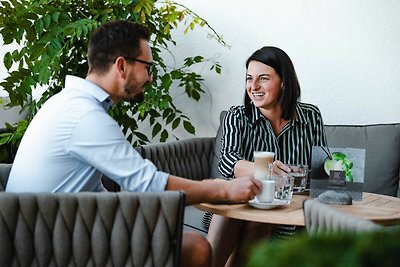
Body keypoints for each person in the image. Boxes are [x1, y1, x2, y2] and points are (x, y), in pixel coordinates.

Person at [5, 20, 262, 267]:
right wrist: (223, 190)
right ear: (122, 66)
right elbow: (148, 184)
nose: (150, 78)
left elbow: (96, 192)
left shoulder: (67, 103)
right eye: (148, 67)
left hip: (39, 233)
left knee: (167, 234)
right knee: (194, 249)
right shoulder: (85, 116)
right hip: (43, 247)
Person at [207, 46, 328, 267]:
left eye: (263, 78)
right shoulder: (238, 116)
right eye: (249, 79)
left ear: (283, 82)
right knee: (243, 213)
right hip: (241, 205)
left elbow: (322, 169)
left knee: (261, 218)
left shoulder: (310, 116)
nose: (253, 87)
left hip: (287, 211)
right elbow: (227, 161)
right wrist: (265, 169)